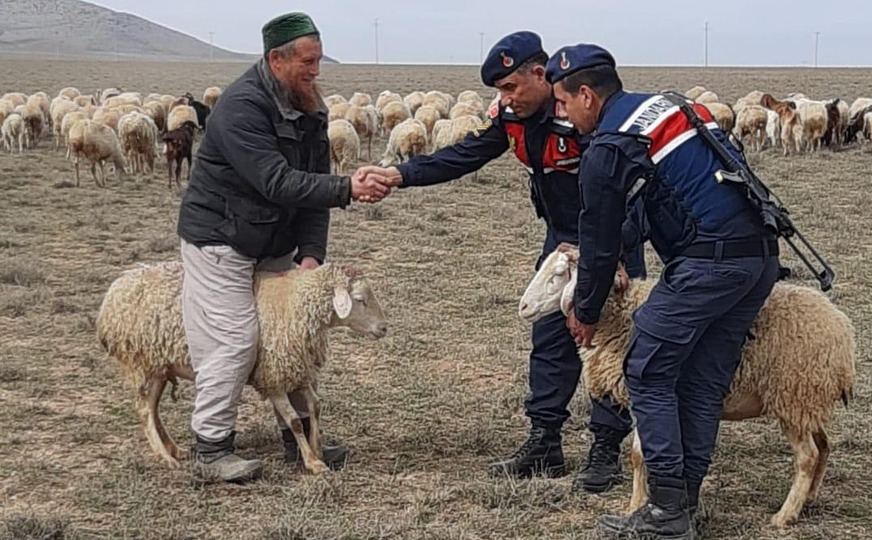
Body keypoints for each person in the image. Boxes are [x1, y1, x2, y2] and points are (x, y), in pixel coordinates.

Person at [357, 31, 644, 493]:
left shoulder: (585, 113)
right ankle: (545, 442)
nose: (504, 98)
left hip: (612, 237)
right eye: (499, 90)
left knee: (609, 343)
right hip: (560, 240)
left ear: (540, 74)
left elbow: (618, 190)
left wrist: (612, 255)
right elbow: (466, 154)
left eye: (510, 87)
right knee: (549, 335)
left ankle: (606, 450)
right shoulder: (511, 117)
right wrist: (400, 174)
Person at [545, 44, 781, 539]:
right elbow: (658, 205)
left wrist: (586, 310)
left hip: (709, 265)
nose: (560, 113)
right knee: (700, 380)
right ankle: (683, 504)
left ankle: (667, 511)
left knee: (646, 370)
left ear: (586, 95)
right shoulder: (669, 107)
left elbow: (601, 235)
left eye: (563, 102)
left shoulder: (608, 146)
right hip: (757, 257)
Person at [176, 11, 394, 483]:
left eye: (318, 61)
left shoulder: (311, 108)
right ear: (276, 59)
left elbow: (311, 188)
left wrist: (311, 258)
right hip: (221, 239)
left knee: (291, 340)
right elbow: (277, 181)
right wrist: (349, 188)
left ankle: (301, 440)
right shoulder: (240, 108)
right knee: (234, 341)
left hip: (273, 237)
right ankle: (211, 447)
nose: (316, 71)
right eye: (308, 62)